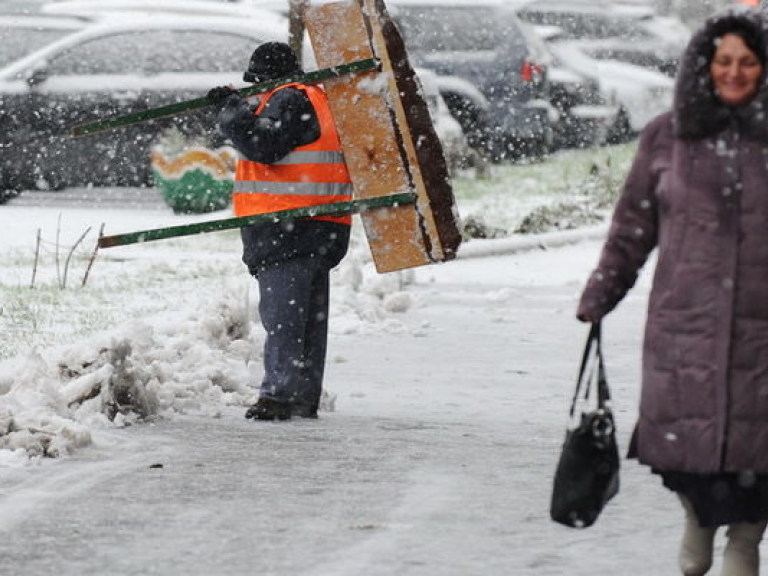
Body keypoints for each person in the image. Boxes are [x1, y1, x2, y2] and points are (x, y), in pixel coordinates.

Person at [577, 8, 768, 576]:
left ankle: (746, 541)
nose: (734, 73)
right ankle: (698, 518)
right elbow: (632, 229)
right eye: (723, 61)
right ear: (705, 68)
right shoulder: (668, 136)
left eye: (748, 62)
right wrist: (602, 292)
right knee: (692, 451)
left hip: (762, 329)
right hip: (688, 326)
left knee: (759, 455)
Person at [206, 42, 352, 421]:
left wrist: (232, 113)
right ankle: (302, 395)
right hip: (322, 224)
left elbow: (264, 144)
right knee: (308, 320)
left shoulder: (287, 99)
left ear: (263, 78)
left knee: (284, 319)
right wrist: (238, 110)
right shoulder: (315, 97)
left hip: (287, 225)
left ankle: (278, 396)